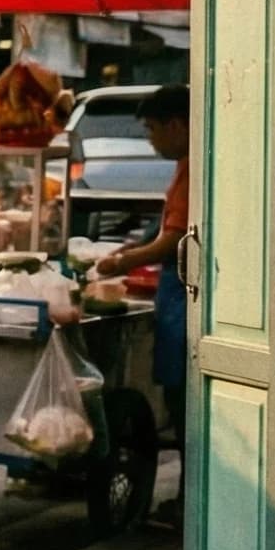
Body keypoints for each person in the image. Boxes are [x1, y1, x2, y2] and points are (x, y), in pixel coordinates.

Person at [92, 83, 189, 438]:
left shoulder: (194, 168)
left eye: (151, 128)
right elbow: (167, 225)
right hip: (173, 291)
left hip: (182, 293)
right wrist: (127, 249)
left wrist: (124, 262)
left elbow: (176, 239)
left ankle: (186, 489)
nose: (149, 138)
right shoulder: (184, 166)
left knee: (183, 394)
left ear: (176, 125)